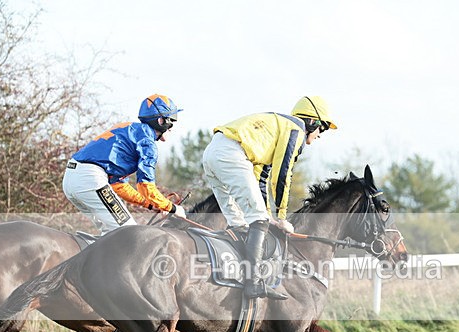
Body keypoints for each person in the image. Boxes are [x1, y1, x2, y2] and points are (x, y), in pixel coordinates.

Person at [202, 96, 337, 300]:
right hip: (231, 154)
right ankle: (253, 283)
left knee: (239, 223)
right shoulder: (296, 131)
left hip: (212, 153)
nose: (320, 136)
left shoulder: (279, 129)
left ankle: (232, 277)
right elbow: (283, 175)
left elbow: (261, 179)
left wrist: (267, 214)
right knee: (258, 220)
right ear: (312, 122)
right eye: (322, 129)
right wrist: (281, 217)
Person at [62, 94, 187, 235]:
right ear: (161, 121)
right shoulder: (148, 143)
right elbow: (146, 188)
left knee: (109, 234)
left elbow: (119, 186)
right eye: (172, 122)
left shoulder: (129, 129)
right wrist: (173, 208)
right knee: (129, 234)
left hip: (71, 179)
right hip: (90, 179)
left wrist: (152, 205)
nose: (172, 128)